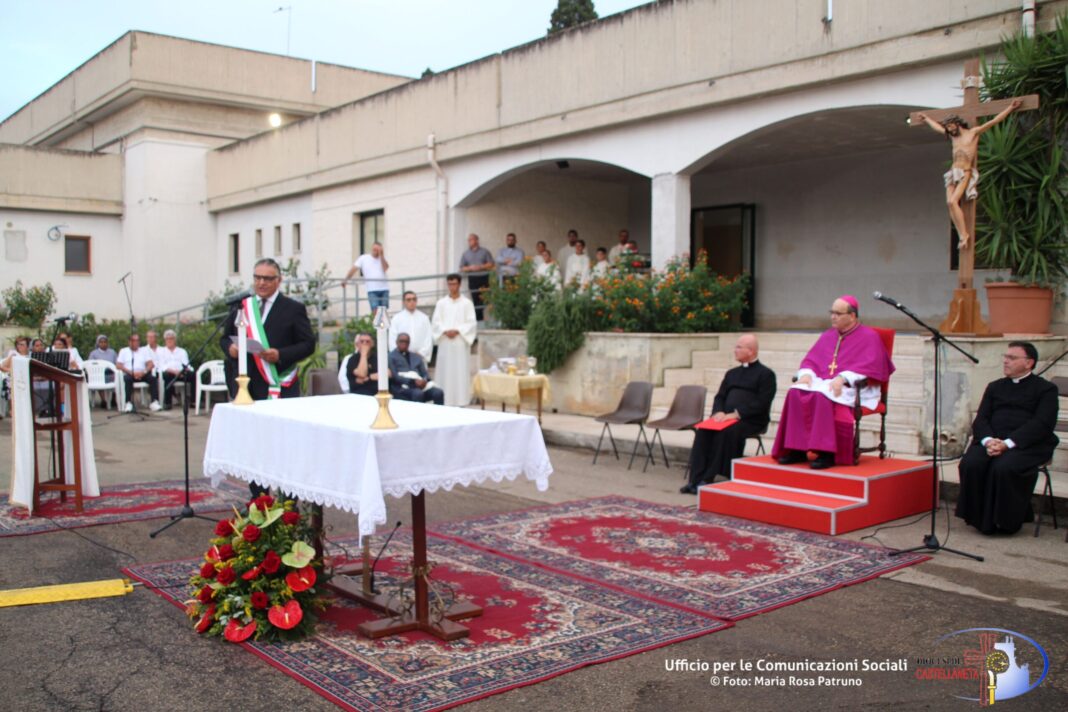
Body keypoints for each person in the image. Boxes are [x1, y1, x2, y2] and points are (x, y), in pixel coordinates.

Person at [222, 257, 316, 498]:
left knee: (284, 445)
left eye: (267, 278)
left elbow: (308, 344)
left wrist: (281, 354)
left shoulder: (293, 308)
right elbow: (225, 337)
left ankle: (288, 501)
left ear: (278, 280)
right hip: (249, 386)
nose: (261, 283)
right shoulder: (242, 306)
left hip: (280, 384)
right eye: (257, 278)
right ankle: (259, 499)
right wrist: (230, 349)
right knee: (255, 446)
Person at [771, 295, 894, 469]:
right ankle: (797, 448)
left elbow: (871, 367)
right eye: (832, 312)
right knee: (795, 391)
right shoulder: (828, 335)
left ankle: (826, 453)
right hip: (827, 382)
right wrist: (806, 374)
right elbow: (812, 360)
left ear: (852, 316)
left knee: (824, 396)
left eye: (838, 313)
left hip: (855, 387)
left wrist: (844, 378)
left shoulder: (869, 336)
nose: (832, 317)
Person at [956, 342, 1058, 535]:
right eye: (1005, 356)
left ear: (1029, 363)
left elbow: (1042, 424)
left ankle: (1005, 522)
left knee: (1004, 467)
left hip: (1027, 443)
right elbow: (982, 418)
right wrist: (988, 440)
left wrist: (1008, 444)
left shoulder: (1046, 389)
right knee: (971, 463)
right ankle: (978, 518)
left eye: (1012, 358)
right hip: (993, 440)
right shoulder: (995, 387)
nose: (1005, 361)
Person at [917, 99, 1021, 248]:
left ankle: (964, 235)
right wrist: (927, 118)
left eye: (951, 126)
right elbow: (938, 128)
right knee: (949, 203)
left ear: (957, 124)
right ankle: (962, 234)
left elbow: (994, 121)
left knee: (953, 201)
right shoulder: (953, 136)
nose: (950, 130)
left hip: (965, 171)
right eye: (948, 128)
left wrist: (1010, 108)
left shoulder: (972, 133)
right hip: (953, 172)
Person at [681, 335, 776, 494]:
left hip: (750, 420)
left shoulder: (766, 374)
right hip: (725, 418)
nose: (735, 350)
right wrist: (718, 412)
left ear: (751, 351)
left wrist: (736, 414)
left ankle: (708, 478)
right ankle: (694, 479)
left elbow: (762, 402)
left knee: (726, 432)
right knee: (703, 430)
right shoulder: (731, 373)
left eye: (739, 347)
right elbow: (720, 396)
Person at [431, 273, 477, 407]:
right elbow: (436, 322)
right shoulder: (441, 303)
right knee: (445, 372)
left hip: (460, 342)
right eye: (450, 284)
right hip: (445, 342)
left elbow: (471, 323)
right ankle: (444, 400)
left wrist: (457, 330)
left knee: (460, 371)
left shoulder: (467, 303)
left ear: (459, 284)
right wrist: (445, 330)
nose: (452, 287)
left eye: (454, 284)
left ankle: (461, 401)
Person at [389, 332, 444, 405]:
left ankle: (439, 415)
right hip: (402, 387)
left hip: (421, 386)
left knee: (438, 392)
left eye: (406, 341)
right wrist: (413, 382)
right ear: (396, 342)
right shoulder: (391, 357)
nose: (404, 343)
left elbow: (425, 374)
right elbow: (395, 376)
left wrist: (423, 381)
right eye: (401, 341)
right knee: (418, 393)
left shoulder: (416, 357)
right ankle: (418, 416)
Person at [116, 333, 161, 412]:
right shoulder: (124, 351)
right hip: (130, 373)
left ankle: (154, 402)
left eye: (137, 340)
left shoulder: (144, 350)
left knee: (153, 379)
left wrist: (143, 372)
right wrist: (131, 372)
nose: (136, 342)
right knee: (127, 379)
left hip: (142, 373)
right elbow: (118, 365)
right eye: (134, 340)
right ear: (129, 342)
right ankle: (128, 403)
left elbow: (151, 364)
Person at [344, 241, 390, 312]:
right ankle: (377, 323)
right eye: (374, 249)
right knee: (375, 310)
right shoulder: (363, 258)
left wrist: (381, 256)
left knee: (383, 312)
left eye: (377, 250)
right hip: (372, 290)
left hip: (384, 289)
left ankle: (382, 323)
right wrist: (346, 280)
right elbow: (353, 269)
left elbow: (385, 268)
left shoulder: (382, 259)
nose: (375, 252)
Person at [388, 291, 433, 363]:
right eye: (408, 300)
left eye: (414, 299)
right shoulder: (396, 318)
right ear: (404, 302)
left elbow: (428, 339)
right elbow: (392, 339)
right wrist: (399, 355)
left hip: (420, 358)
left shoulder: (424, 318)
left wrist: (421, 353)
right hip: (402, 359)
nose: (412, 302)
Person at [459, 233, 494, 321]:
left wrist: (480, 267)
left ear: (476, 240)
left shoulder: (485, 251)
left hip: (484, 277)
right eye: (469, 240)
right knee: (475, 298)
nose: (469, 242)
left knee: (485, 298)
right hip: (473, 278)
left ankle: (478, 318)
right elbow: (461, 268)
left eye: (471, 239)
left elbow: (491, 264)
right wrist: (470, 268)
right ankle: (479, 319)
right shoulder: (465, 254)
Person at [156, 329, 190, 409]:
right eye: (167, 339)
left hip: (181, 372)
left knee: (193, 375)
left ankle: (192, 401)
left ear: (175, 340)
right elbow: (161, 366)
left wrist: (182, 371)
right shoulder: (161, 351)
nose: (169, 341)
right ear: (165, 340)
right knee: (167, 376)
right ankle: (168, 403)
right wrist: (174, 371)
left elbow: (186, 363)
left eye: (171, 338)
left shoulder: (182, 351)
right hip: (169, 372)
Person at [344, 332, 382, 396]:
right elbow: (362, 373)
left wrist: (369, 377)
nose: (364, 344)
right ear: (358, 344)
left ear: (372, 344)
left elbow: (387, 374)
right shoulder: (352, 359)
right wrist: (364, 354)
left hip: (376, 394)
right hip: (358, 394)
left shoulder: (378, 358)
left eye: (367, 342)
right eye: (362, 341)